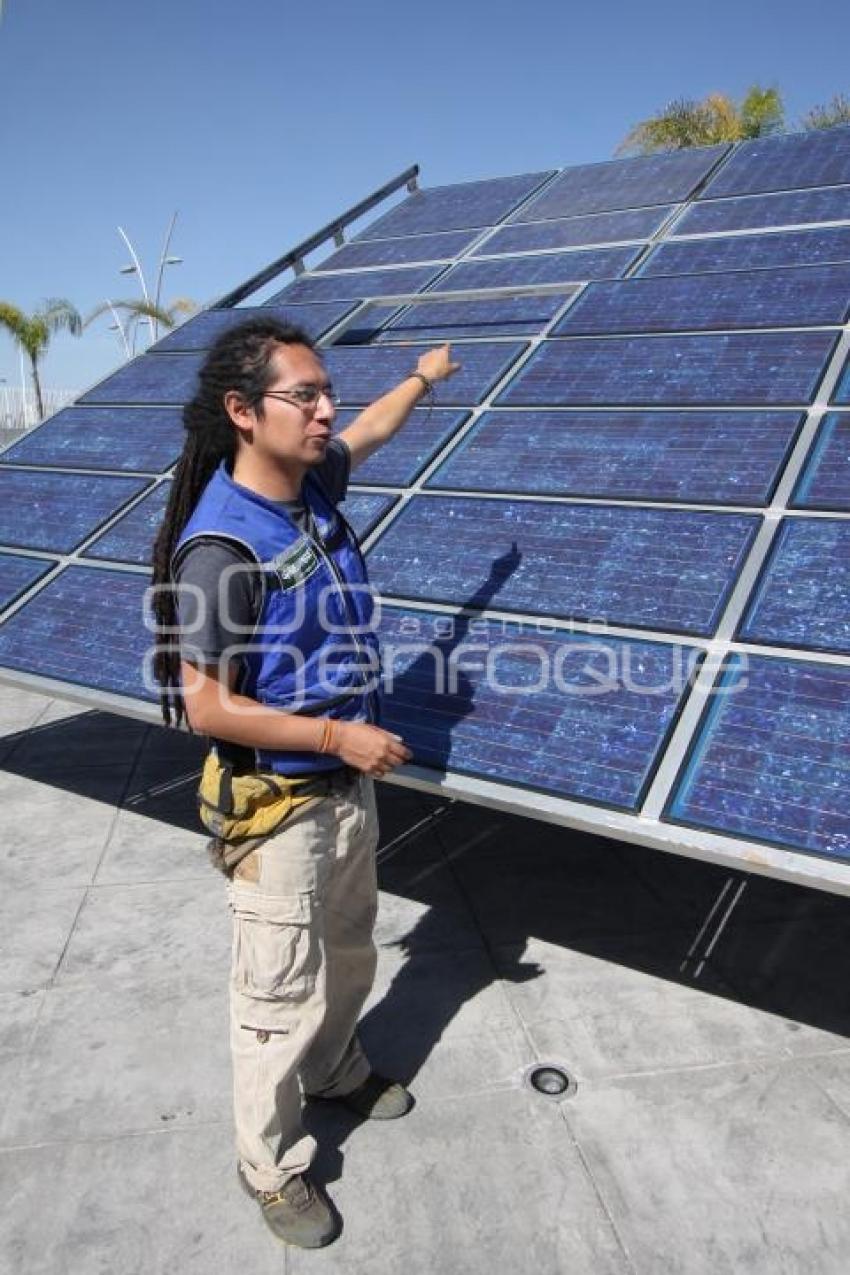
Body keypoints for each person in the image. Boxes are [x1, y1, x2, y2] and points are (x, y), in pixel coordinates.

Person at [150, 318, 459, 1249]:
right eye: (305, 396)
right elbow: (207, 708)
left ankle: (335, 1070)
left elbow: (371, 431)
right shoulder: (219, 552)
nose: (327, 411)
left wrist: (423, 377)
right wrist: (337, 734)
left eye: (326, 392)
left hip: (344, 785)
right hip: (280, 804)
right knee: (274, 997)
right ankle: (271, 1164)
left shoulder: (313, 482)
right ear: (244, 413)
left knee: (351, 949)